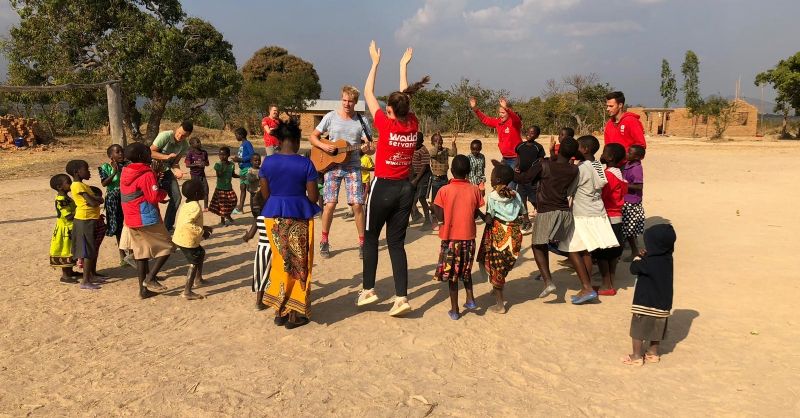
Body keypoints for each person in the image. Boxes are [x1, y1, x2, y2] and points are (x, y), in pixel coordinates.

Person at [359, 41, 428, 317]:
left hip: (383, 186)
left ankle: (368, 290)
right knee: (397, 244)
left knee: (371, 237)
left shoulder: (386, 124)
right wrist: (402, 66)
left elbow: (367, 92)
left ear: (389, 111)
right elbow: (404, 98)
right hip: (405, 190)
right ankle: (401, 298)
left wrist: (375, 62)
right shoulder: (412, 123)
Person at [258, 119, 321, 329]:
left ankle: (279, 311)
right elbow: (312, 198)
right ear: (295, 140)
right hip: (299, 214)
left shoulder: (267, 163)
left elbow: (265, 194)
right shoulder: (305, 164)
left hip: (273, 215)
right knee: (300, 265)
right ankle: (295, 314)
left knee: (280, 262)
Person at [309, 85, 373, 259]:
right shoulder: (330, 117)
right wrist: (324, 146)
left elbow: (370, 147)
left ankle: (362, 242)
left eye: (350, 101)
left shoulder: (362, 120)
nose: (346, 104)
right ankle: (324, 240)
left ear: (355, 102)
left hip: (353, 166)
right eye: (344, 100)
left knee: (358, 205)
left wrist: (368, 149)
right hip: (332, 167)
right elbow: (313, 137)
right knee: (329, 204)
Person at [558, 136, 619, 305]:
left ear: (584, 149)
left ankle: (587, 288)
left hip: (582, 213)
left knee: (571, 247)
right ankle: (587, 286)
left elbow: (569, 189)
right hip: (596, 210)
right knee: (585, 250)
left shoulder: (582, 168)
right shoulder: (598, 166)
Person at [432, 155, 483, 320]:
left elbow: (436, 207)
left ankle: (454, 310)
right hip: (468, 238)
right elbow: (476, 211)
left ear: (451, 171)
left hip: (450, 239)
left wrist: (442, 220)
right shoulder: (475, 189)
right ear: (468, 171)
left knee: (452, 276)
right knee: (466, 271)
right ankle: (470, 298)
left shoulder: (444, 190)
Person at [529, 137, 580, 300]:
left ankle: (548, 280)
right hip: (564, 212)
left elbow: (525, 178)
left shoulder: (545, 165)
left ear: (558, 149)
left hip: (546, 211)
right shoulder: (574, 170)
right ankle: (585, 283)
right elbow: (570, 190)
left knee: (537, 245)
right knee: (568, 247)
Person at [121, 142, 173, 299]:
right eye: (146, 152)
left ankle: (143, 291)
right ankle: (150, 278)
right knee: (168, 247)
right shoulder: (146, 174)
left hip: (131, 217)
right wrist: (162, 189)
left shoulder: (126, 171)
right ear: (140, 156)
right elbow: (153, 196)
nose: (150, 153)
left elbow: (139, 192)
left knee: (141, 253)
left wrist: (154, 179)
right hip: (146, 217)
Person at [622, 223, 676, 366]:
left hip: (645, 301)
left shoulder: (649, 261)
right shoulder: (668, 259)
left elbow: (634, 268)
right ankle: (653, 353)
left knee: (638, 329)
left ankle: (636, 356)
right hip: (663, 303)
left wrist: (638, 257)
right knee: (657, 329)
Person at [477, 162, 523, 314]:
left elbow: (489, 219)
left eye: (492, 176)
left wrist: (477, 212)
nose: (490, 178)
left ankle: (499, 304)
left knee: (496, 266)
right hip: (514, 236)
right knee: (504, 266)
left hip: (499, 235)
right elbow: (523, 215)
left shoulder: (492, 197)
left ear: (497, 180)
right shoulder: (516, 195)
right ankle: (497, 287)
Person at [593, 143, 628, 296]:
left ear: (610, 157)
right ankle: (610, 281)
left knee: (602, 252)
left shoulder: (608, 175)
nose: (602, 154)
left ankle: (606, 285)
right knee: (613, 252)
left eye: (604, 152)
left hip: (607, 215)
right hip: (617, 216)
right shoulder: (619, 173)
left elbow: (603, 195)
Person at [172, 179, 213, 300]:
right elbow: (187, 224)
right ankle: (187, 291)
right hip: (187, 240)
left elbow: (188, 221)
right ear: (196, 194)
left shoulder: (187, 203)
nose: (204, 191)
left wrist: (203, 227)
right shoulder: (195, 206)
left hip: (182, 237)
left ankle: (198, 279)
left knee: (201, 253)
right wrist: (202, 231)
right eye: (201, 190)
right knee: (194, 262)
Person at [66, 159, 103, 290]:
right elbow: (93, 202)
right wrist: (97, 200)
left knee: (91, 248)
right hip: (84, 220)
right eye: (86, 169)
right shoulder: (78, 186)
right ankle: (85, 281)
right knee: (87, 251)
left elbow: (96, 200)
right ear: (77, 172)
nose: (89, 172)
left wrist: (97, 200)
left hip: (89, 219)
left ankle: (91, 276)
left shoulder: (82, 186)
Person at [150, 120, 193, 231]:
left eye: (183, 136)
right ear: (177, 128)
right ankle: (150, 226)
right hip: (152, 170)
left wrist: (178, 171)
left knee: (177, 197)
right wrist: (166, 157)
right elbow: (150, 152)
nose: (179, 136)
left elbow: (175, 163)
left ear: (188, 136)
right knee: (151, 198)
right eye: (179, 133)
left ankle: (167, 226)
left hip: (167, 170)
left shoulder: (184, 145)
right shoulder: (165, 135)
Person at [98, 144, 131, 266]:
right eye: (117, 152)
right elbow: (104, 183)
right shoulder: (105, 167)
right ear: (110, 156)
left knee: (130, 224)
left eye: (122, 151)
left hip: (127, 197)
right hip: (113, 199)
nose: (121, 154)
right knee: (118, 227)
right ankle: (123, 256)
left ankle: (132, 253)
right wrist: (115, 172)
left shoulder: (127, 165)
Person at [469, 96, 522, 170]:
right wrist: (475, 108)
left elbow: (515, 117)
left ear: (509, 112)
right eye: (500, 112)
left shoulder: (515, 122)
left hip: (515, 159)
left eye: (503, 112)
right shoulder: (498, 122)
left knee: (512, 181)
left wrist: (506, 108)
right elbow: (485, 119)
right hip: (505, 158)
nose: (501, 114)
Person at [242, 180, 269, 311]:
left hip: (262, 250)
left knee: (260, 274)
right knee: (273, 274)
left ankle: (259, 302)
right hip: (273, 249)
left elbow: (250, 235)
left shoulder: (258, 219)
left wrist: (245, 236)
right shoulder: (275, 217)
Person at [49, 174, 80, 284]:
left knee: (71, 249)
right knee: (65, 250)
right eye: (68, 183)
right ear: (59, 187)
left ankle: (70, 271)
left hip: (70, 227)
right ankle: (65, 276)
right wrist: (80, 209)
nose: (71, 185)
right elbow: (68, 216)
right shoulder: (61, 200)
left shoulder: (65, 198)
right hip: (65, 229)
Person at [428, 133, 457, 229]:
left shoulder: (445, 150)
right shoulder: (432, 151)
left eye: (440, 141)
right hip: (436, 179)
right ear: (432, 143)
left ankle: (444, 219)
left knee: (445, 200)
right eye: (436, 141)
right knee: (435, 201)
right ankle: (434, 218)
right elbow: (434, 154)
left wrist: (453, 143)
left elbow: (454, 154)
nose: (439, 143)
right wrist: (436, 145)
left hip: (444, 179)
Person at [623, 145, 646, 260]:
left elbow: (639, 185)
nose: (627, 154)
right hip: (625, 199)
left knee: (629, 230)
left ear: (637, 157)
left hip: (632, 201)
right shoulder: (628, 164)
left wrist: (624, 185)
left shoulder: (636, 168)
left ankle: (635, 251)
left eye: (630, 153)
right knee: (626, 229)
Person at [209, 146, 239, 226]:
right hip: (220, 188)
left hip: (229, 188)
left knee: (234, 200)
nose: (222, 156)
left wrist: (240, 176)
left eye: (224, 155)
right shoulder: (218, 165)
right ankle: (223, 220)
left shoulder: (232, 164)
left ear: (228, 155)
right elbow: (219, 175)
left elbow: (233, 174)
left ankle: (227, 214)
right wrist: (223, 167)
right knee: (222, 205)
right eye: (220, 155)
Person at [409, 133, 432, 229]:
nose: (414, 145)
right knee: (409, 198)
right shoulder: (411, 149)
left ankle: (427, 220)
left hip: (424, 176)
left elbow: (424, 167)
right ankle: (416, 215)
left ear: (421, 142)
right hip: (414, 175)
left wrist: (416, 180)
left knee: (421, 197)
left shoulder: (424, 151)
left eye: (417, 143)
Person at [232, 127, 255, 215]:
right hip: (242, 169)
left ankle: (256, 205)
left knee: (250, 189)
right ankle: (240, 208)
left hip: (247, 169)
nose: (236, 137)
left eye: (236, 135)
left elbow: (252, 155)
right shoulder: (242, 144)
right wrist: (236, 159)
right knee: (243, 188)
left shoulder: (247, 143)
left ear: (241, 135)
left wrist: (241, 159)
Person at [184, 136, 210, 210]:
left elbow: (207, 163)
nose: (199, 143)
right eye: (197, 142)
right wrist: (197, 164)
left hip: (202, 175)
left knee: (206, 189)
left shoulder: (204, 153)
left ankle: (206, 207)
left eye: (199, 141)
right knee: (195, 191)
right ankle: (197, 206)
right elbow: (187, 165)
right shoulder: (190, 154)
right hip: (194, 176)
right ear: (192, 145)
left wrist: (204, 163)